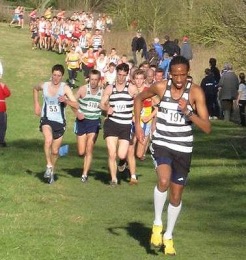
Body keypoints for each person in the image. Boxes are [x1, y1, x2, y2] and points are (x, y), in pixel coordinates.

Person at [134, 56, 211, 256]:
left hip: (183, 148)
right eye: (175, 74)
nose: (178, 79)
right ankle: (157, 223)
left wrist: (188, 112)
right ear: (170, 73)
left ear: (188, 73)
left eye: (182, 75)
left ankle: (168, 235)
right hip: (162, 144)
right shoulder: (160, 87)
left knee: (176, 196)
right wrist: (137, 126)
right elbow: (138, 99)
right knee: (164, 179)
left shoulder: (195, 92)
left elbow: (207, 127)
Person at [33, 64, 78, 184]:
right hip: (46, 119)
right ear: (51, 74)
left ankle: (51, 170)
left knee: (55, 151)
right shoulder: (45, 85)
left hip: (59, 122)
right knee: (48, 140)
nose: (56, 78)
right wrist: (37, 103)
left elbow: (76, 105)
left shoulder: (65, 88)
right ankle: (48, 165)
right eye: (54, 75)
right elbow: (35, 88)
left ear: (62, 76)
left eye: (58, 76)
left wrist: (66, 100)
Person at [100, 63, 138, 186]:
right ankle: (114, 179)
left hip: (126, 125)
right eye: (119, 74)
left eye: (123, 75)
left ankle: (123, 161)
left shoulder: (131, 88)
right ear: (116, 74)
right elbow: (101, 104)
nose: (121, 78)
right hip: (112, 123)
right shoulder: (110, 88)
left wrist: (135, 115)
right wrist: (107, 108)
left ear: (127, 75)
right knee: (112, 153)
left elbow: (139, 103)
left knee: (122, 154)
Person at [74, 69, 102, 182]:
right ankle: (83, 159)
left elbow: (106, 105)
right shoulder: (83, 89)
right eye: (92, 79)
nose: (93, 82)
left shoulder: (103, 92)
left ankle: (84, 175)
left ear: (99, 80)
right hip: (82, 121)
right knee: (81, 152)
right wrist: (77, 113)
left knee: (89, 147)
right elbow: (73, 102)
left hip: (94, 122)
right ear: (88, 79)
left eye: (96, 80)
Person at [0, 76, 11, 147]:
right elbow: (8, 93)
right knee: (2, 125)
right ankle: (1, 141)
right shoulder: (2, 85)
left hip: (2, 108)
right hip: (1, 108)